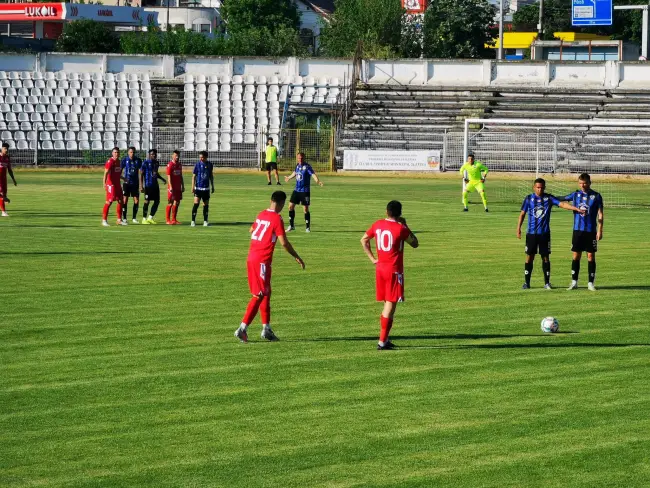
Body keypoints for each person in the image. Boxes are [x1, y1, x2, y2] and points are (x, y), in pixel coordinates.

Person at [234, 191, 305, 343]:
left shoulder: (261, 214)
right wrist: (297, 256)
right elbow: (284, 243)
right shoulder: (276, 218)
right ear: (281, 203)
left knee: (266, 292)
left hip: (253, 256)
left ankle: (266, 329)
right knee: (259, 294)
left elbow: (252, 230)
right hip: (261, 260)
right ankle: (242, 328)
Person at [361, 200, 419, 350]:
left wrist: (373, 259)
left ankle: (385, 339)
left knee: (388, 303)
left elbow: (364, 240)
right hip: (394, 270)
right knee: (390, 304)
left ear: (386, 212)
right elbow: (415, 243)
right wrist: (406, 225)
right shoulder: (401, 229)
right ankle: (382, 341)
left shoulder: (377, 224)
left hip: (380, 268)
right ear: (400, 214)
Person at [517, 178, 584, 290]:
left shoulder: (548, 198)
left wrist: (575, 208)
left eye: (542, 187)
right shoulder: (528, 198)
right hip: (531, 234)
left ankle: (547, 283)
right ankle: (527, 283)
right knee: (529, 257)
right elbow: (522, 214)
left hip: (544, 234)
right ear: (534, 187)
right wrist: (518, 228)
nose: (540, 189)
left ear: (544, 187)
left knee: (545, 257)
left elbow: (562, 204)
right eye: (538, 187)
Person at [563, 173, 604, 291]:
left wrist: (600, 230)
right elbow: (562, 199)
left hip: (591, 231)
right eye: (580, 183)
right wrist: (549, 198)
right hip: (577, 230)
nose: (583, 185)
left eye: (585, 183)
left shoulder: (596, 196)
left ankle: (590, 283)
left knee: (591, 256)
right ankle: (574, 282)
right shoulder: (575, 194)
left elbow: (600, 214)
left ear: (589, 183)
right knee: (576, 255)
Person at [284, 152, 324, 233]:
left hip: (305, 191)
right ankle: (291, 226)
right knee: (290, 207)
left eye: (302, 158)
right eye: (299, 158)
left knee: (305, 209)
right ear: (297, 158)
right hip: (296, 190)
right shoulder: (297, 166)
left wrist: (318, 181)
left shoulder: (307, 167)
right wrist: (289, 177)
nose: (300, 159)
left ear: (304, 158)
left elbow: (313, 175)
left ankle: (307, 227)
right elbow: (295, 173)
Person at [102, 147, 127, 227]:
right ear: (112, 153)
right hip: (111, 185)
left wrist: (123, 178)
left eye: (118, 152)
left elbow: (118, 173)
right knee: (109, 202)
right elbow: (105, 173)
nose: (117, 154)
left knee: (121, 201)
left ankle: (119, 220)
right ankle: (104, 220)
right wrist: (104, 184)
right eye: (115, 152)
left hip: (117, 184)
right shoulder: (110, 162)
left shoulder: (119, 162)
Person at [140, 149, 166, 224]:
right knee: (147, 202)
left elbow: (155, 173)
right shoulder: (145, 163)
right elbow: (141, 174)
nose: (153, 155)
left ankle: (150, 218)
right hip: (148, 185)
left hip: (155, 185)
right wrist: (141, 186)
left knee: (157, 201)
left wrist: (162, 179)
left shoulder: (156, 163)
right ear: (149, 155)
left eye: (154, 154)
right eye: (152, 154)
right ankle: (144, 219)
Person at [191, 151, 214, 227]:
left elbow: (211, 176)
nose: (201, 158)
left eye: (202, 157)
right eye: (200, 157)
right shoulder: (197, 165)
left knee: (206, 205)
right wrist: (192, 187)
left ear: (206, 157)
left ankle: (205, 221)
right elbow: (194, 176)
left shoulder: (210, 165)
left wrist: (212, 186)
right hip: (198, 188)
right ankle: (193, 221)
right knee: (196, 204)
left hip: (206, 189)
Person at [120, 146, 142, 224]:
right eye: (130, 152)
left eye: (133, 152)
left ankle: (134, 218)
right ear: (128, 152)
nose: (132, 154)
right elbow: (119, 171)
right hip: (127, 184)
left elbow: (141, 172)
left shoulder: (138, 160)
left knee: (136, 200)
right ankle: (125, 218)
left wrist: (141, 184)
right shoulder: (124, 160)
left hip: (135, 183)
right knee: (125, 200)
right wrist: (123, 178)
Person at [165, 150, 184, 225]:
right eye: (176, 155)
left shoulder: (179, 165)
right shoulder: (170, 165)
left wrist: (182, 185)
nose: (177, 157)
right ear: (172, 156)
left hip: (178, 187)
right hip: (172, 188)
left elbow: (181, 176)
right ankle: (167, 220)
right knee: (170, 202)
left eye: (178, 155)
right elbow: (168, 177)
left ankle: (174, 219)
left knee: (177, 202)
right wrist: (170, 187)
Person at [0, 142, 17, 217]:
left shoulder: (7, 157)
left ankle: (3, 209)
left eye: (7, 149)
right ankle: (3, 212)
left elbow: (9, 169)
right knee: (1, 195)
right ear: (2, 148)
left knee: (3, 195)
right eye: (5, 148)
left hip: (4, 179)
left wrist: (13, 179)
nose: (6, 150)